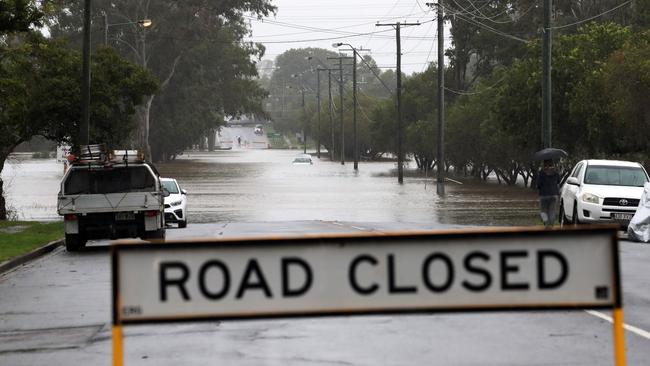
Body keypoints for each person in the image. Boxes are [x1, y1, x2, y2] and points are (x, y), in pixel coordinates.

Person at [536, 159, 561, 228]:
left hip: (543, 195)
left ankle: (546, 221)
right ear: (552, 164)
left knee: (543, 210)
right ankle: (551, 225)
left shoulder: (541, 172)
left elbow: (538, 184)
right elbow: (559, 181)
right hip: (554, 194)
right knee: (552, 211)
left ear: (544, 164)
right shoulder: (555, 172)